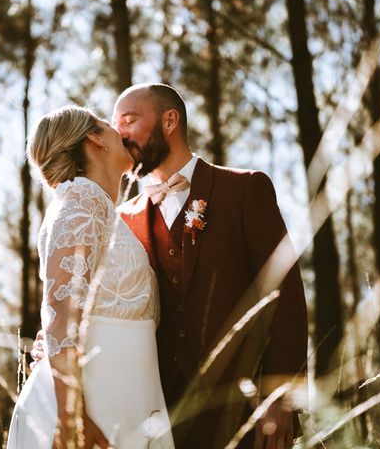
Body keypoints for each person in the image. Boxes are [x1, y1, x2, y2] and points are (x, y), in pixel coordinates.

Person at [33, 84, 308, 449]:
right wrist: (51, 340)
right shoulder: (120, 219)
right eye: (114, 124)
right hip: (153, 416)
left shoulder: (244, 190)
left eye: (129, 120)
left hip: (242, 411)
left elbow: (285, 296)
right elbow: (75, 295)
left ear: (170, 121)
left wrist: (280, 397)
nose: (121, 133)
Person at [8, 106, 175, 449]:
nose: (120, 131)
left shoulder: (99, 208)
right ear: (94, 138)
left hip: (123, 401)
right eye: (107, 124)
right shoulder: (82, 200)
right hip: (89, 411)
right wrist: (73, 417)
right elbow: (61, 320)